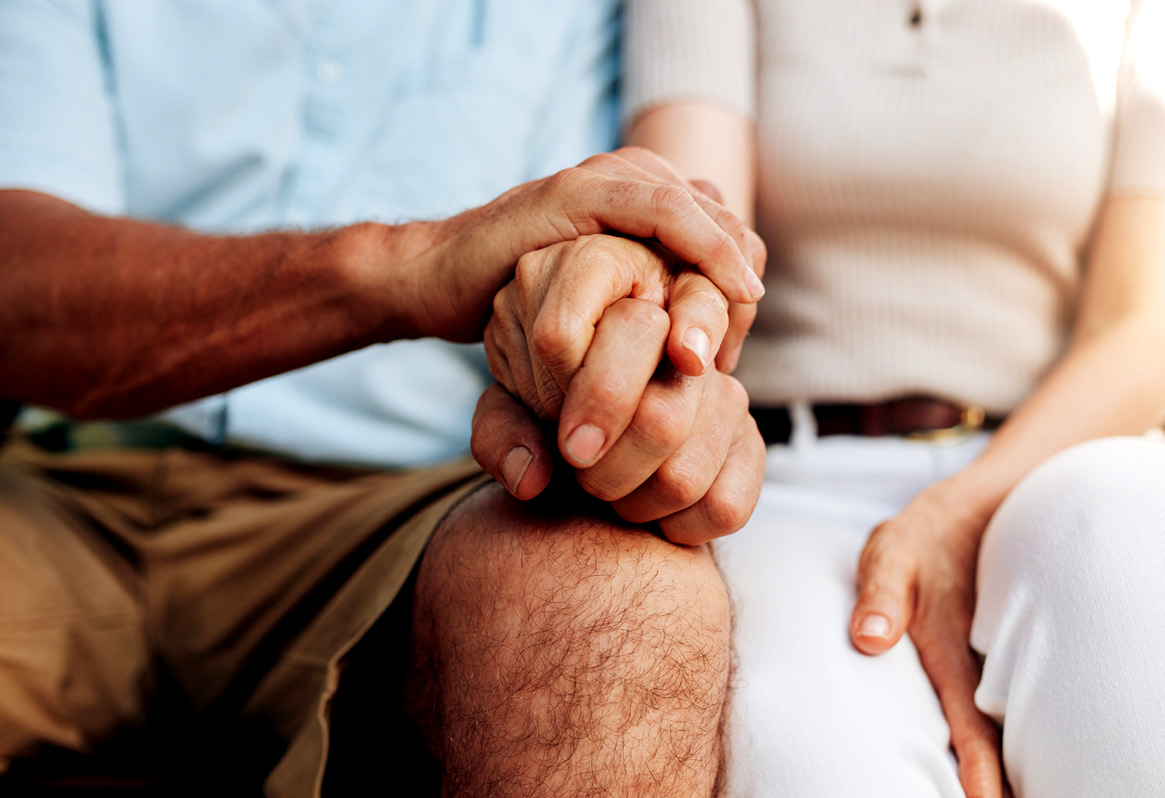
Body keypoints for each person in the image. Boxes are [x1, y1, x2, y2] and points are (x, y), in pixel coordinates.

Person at [584, 0, 1165, 795]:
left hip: (1063, 455)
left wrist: (955, 513)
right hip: (782, 486)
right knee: (811, 753)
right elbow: (696, 248)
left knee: (1148, 538)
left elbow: (1143, 324)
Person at [0, 2, 763, 795]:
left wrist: (617, 340)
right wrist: (407, 266)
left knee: (614, 604)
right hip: (70, 495)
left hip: (406, 508)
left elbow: (597, 255)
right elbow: (15, 282)